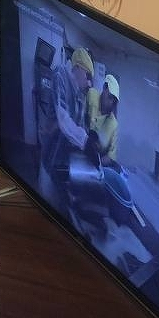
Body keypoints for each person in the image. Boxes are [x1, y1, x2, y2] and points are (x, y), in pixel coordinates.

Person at [37, 45, 94, 206]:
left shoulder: (80, 94)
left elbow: (79, 123)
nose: (89, 83)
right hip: (50, 154)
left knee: (57, 205)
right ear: (78, 68)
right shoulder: (60, 74)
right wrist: (85, 141)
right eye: (88, 76)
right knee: (44, 199)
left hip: (63, 160)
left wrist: (90, 135)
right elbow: (63, 119)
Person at [85, 73, 119, 167]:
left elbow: (111, 156)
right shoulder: (91, 95)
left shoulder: (114, 124)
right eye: (110, 97)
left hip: (95, 164)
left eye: (114, 101)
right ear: (104, 88)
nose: (111, 103)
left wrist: (97, 163)